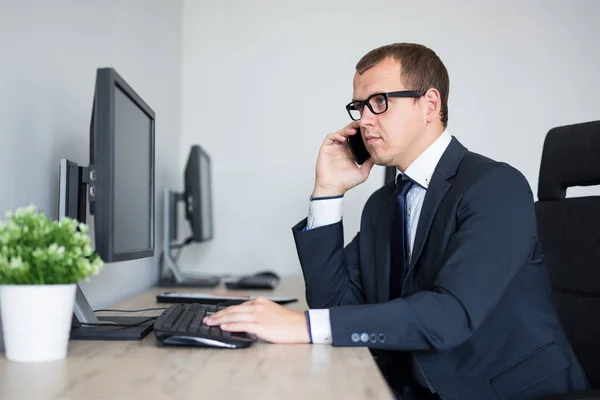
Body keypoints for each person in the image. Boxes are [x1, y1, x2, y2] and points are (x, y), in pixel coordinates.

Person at [204, 43, 589, 399]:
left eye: (380, 102)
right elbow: (332, 302)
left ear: (429, 104)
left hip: (507, 391)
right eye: (359, 107)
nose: (365, 121)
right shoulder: (382, 205)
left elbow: (450, 315)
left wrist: (302, 326)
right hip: (410, 387)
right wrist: (327, 190)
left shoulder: (495, 187)